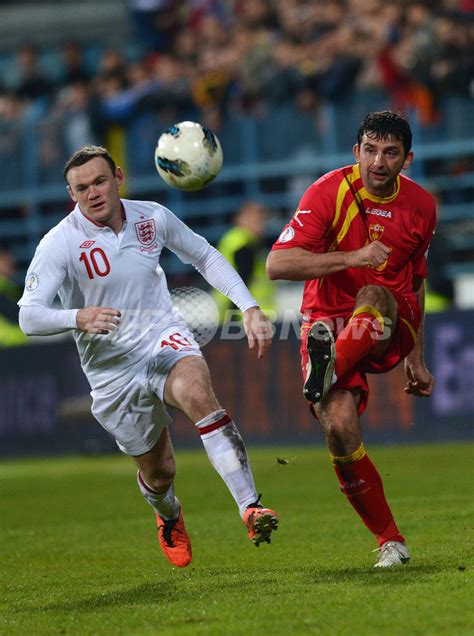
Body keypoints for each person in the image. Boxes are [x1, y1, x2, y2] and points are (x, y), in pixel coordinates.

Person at [18, 145, 278, 568]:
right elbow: (29, 316)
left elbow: (205, 255)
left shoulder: (151, 216)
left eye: (100, 181)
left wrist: (248, 306)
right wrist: (77, 316)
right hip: (111, 371)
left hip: (161, 335)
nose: (93, 194)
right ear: (72, 195)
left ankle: (250, 507)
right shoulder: (59, 245)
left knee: (197, 392)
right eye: (81, 188)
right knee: (161, 471)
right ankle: (168, 514)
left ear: (118, 177)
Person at [267, 111, 436, 568]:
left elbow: (416, 280)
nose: (378, 161)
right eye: (370, 149)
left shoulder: (422, 206)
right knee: (339, 430)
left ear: (407, 159)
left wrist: (415, 356)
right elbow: (277, 266)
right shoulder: (328, 192)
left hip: (387, 321)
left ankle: (326, 369)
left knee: (375, 292)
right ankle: (391, 542)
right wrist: (354, 255)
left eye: (390, 152)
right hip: (327, 320)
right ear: (356, 151)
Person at [213, 200, 276, 321]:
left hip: (240, 315)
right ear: (239, 219)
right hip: (245, 318)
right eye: (255, 220)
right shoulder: (243, 244)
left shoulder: (234, 240)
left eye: (262, 220)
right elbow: (242, 280)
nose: (261, 225)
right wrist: (233, 317)